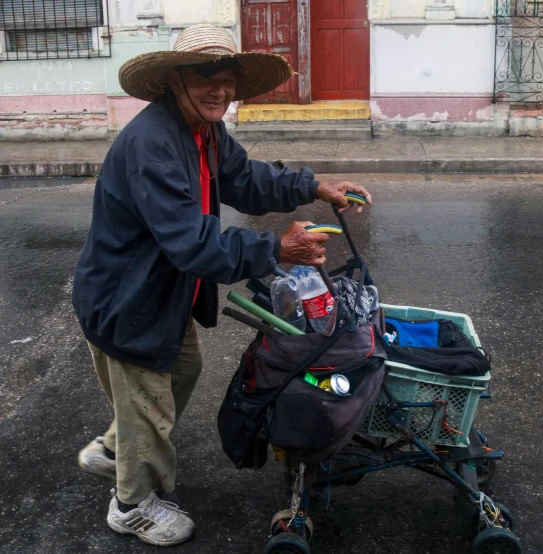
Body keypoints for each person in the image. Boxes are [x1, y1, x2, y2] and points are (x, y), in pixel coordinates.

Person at [72, 24, 371, 547]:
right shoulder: (153, 144)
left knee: (182, 369)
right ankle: (132, 504)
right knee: (150, 398)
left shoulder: (202, 131)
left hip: (164, 293)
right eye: (206, 77)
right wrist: (276, 249)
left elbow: (247, 178)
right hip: (129, 299)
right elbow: (193, 244)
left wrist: (314, 186)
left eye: (227, 79)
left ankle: (117, 450)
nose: (219, 90)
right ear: (174, 79)